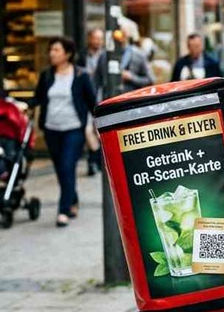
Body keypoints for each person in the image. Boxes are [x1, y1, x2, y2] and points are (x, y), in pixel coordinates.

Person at [32, 38, 97, 227]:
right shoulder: (46, 75)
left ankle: (63, 210)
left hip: (74, 129)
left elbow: (91, 102)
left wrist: (98, 125)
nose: (52, 53)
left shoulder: (80, 75)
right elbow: (38, 98)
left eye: (56, 50)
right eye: (51, 49)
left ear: (67, 54)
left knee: (67, 166)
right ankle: (73, 198)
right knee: (61, 170)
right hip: (52, 129)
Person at [94, 24, 153, 94]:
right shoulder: (104, 55)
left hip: (130, 98)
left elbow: (150, 80)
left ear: (128, 35)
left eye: (123, 34)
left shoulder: (138, 55)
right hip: (109, 97)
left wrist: (132, 77)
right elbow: (97, 80)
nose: (120, 38)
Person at [78, 28, 106, 176]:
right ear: (89, 39)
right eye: (95, 38)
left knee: (98, 131)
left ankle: (96, 161)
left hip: (101, 97)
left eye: (100, 39)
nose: (97, 41)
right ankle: (93, 158)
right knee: (88, 130)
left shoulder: (106, 55)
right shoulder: (82, 55)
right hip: (86, 98)